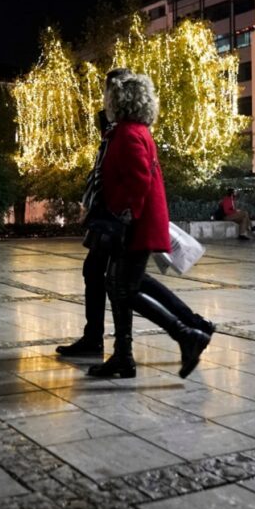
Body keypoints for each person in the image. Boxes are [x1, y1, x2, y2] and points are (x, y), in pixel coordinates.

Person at [57, 101, 215, 357]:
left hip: (113, 218)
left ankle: (176, 333)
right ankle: (111, 343)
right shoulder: (121, 125)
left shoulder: (126, 128)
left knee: (123, 283)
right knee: (110, 277)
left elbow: (136, 180)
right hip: (106, 215)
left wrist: (123, 212)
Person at [86, 68, 211, 379]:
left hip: (134, 225)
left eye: (109, 96)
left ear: (120, 99)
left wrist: (123, 215)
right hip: (136, 222)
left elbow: (138, 179)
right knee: (121, 286)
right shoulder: (132, 130)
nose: (106, 101)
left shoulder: (129, 133)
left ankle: (186, 334)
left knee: (123, 289)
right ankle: (124, 356)